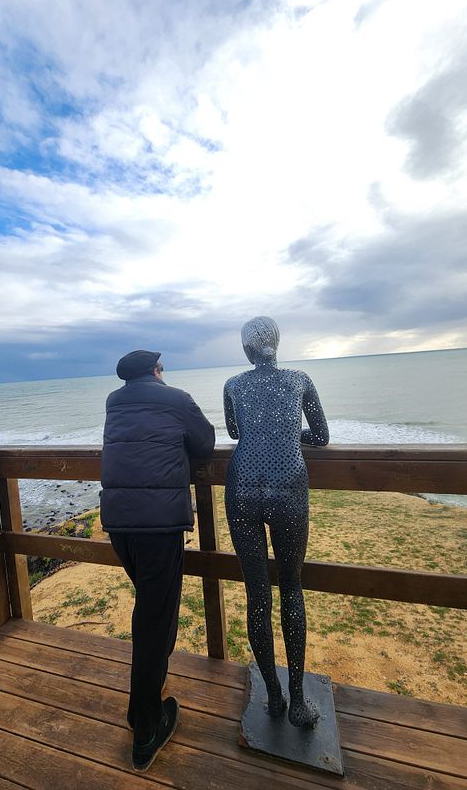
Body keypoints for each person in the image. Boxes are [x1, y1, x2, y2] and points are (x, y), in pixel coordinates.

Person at [100, 349, 215, 772]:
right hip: (157, 527)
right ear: (155, 371)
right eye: (162, 369)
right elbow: (206, 443)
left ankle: (144, 700)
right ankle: (146, 729)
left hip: (119, 525)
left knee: (153, 609)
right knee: (152, 617)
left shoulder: (114, 402)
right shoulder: (177, 398)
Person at [223, 317, 329, 727]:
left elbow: (234, 432)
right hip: (288, 491)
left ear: (247, 351)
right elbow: (320, 434)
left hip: (242, 489)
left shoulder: (233, 385)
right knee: (291, 587)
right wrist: (289, 432)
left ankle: (273, 695)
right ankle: (299, 701)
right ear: (277, 344)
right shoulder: (300, 378)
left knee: (257, 595)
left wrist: (261, 429)